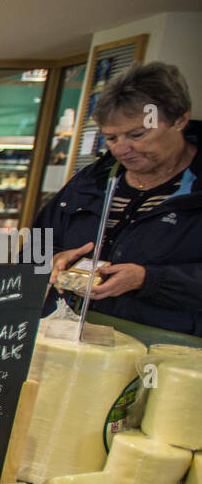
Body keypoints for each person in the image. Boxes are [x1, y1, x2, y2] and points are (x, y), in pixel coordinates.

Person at [42, 61, 201, 336]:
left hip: (169, 355)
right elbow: (33, 249)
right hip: (68, 336)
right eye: (111, 138)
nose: (122, 149)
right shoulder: (91, 181)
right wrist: (54, 259)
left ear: (179, 120)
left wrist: (148, 280)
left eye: (137, 134)